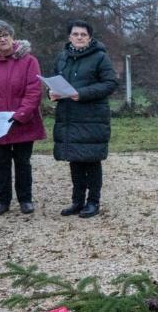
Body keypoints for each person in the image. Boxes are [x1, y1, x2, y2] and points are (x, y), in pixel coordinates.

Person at [52, 20, 118, 219]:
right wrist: (52, 93)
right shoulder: (62, 57)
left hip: (92, 117)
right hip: (69, 116)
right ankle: (77, 200)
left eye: (83, 34)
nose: (79, 37)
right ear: (69, 36)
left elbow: (110, 84)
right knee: (74, 159)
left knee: (91, 160)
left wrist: (80, 93)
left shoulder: (100, 57)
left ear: (90, 37)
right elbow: (56, 80)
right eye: (75, 34)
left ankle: (93, 201)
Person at [0, 20, 45, 216]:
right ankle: (2, 201)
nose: (2, 39)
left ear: (12, 36)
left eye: (5, 34)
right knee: (0, 163)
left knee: (22, 162)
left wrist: (21, 115)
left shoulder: (29, 61)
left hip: (22, 121)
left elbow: (34, 90)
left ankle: (25, 199)